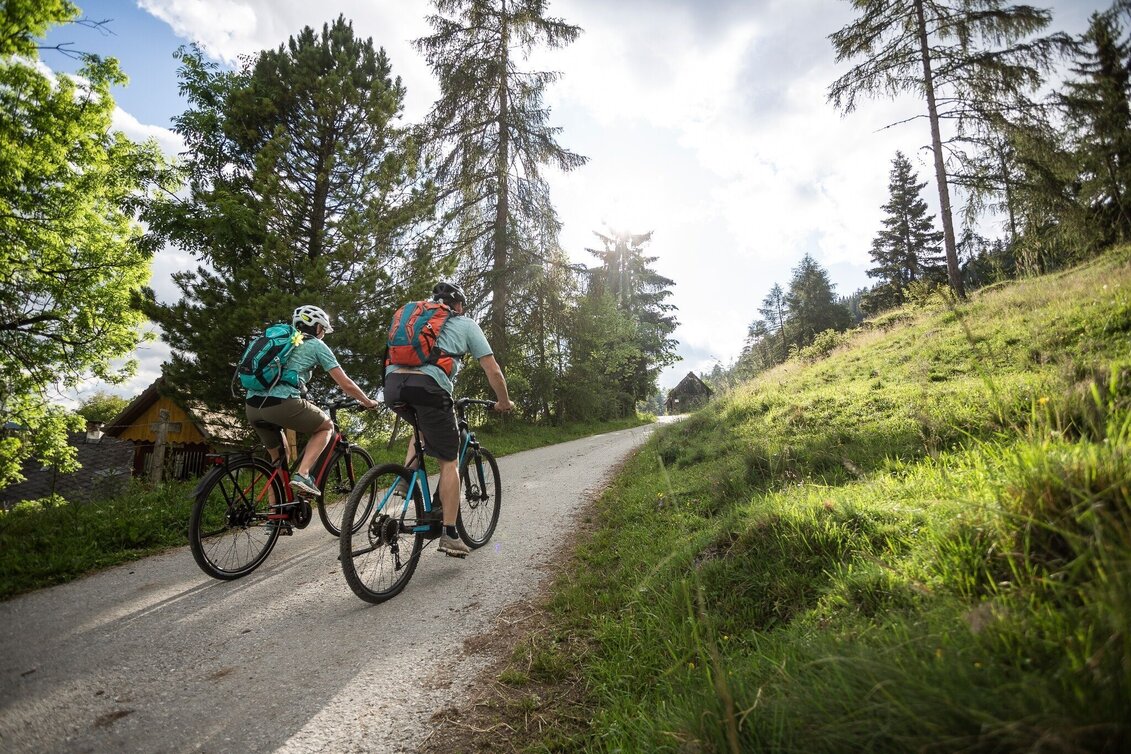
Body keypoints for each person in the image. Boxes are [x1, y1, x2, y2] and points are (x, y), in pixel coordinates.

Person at [383, 281, 513, 557]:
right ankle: (450, 534)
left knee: (420, 429)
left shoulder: (414, 320)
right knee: (449, 461)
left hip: (393, 386)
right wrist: (503, 401)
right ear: (458, 306)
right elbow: (493, 370)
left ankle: (405, 480)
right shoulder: (465, 324)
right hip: (429, 388)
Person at [245, 304, 379, 497]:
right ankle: (303, 474)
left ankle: (277, 520)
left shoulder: (284, 342)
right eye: (323, 329)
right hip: (281, 404)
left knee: (279, 464)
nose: (323, 333)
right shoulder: (316, 345)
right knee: (326, 427)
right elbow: (345, 383)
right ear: (316, 327)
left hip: (252, 406)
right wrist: (367, 402)